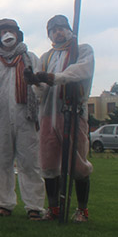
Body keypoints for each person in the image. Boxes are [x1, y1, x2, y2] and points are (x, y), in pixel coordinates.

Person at [29, 15, 94, 222]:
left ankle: (82, 209)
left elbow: (80, 72)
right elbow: (40, 91)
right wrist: (35, 81)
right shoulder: (46, 57)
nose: (58, 32)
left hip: (72, 112)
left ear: (69, 30)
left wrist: (53, 78)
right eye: (53, 30)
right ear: (49, 35)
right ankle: (54, 208)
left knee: (77, 162)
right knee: (48, 163)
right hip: (48, 115)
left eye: (61, 28)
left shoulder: (82, 51)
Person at [0, 18, 45, 220]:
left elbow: (41, 88)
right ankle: (4, 204)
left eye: (11, 31)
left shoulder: (30, 57)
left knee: (30, 162)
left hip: (26, 117)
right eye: (3, 31)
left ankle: (34, 206)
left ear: (18, 34)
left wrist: (37, 116)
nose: (7, 34)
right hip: (0, 118)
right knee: (2, 162)